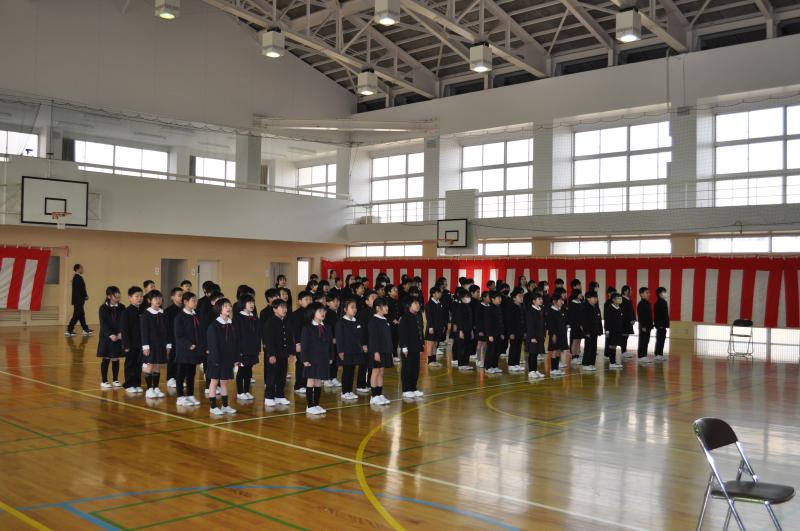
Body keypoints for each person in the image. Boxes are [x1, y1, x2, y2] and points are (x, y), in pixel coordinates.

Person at [206, 298, 238, 416]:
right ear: (219, 309)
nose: (228, 308)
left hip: (227, 359)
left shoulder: (231, 325)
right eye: (225, 306)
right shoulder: (213, 326)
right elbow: (212, 345)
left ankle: (225, 406)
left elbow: (235, 343)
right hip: (216, 359)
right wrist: (215, 360)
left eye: (229, 306)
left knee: (224, 382)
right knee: (214, 382)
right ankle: (213, 406)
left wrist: (235, 359)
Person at [173, 291, 204, 407]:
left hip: (194, 351)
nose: (196, 303)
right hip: (184, 351)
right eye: (193, 301)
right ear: (185, 302)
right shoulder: (180, 317)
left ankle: (190, 395)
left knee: (191, 374)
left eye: (196, 301)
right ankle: (180, 397)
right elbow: (178, 335)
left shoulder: (196, 316)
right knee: (181, 374)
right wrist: (189, 344)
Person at [300, 302, 331, 415]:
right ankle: (310, 405)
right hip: (311, 359)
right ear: (313, 313)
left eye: (324, 311)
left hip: (323, 359)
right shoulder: (307, 328)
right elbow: (304, 345)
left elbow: (330, 344)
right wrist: (304, 359)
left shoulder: (327, 327)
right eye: (320, 311)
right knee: (311, 380)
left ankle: (316, 404)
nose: (323, 313)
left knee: (318, 381)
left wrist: (330, 356)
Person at [140, 290, 170, 398]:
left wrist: (168, 344)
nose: (158, 300)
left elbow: (167, 330)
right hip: (150, 345)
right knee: (149, 366)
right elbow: (144, 331)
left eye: (160, 298)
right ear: (149, 300)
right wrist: (145, 346)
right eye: (155, 298)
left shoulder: (163, 314)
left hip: (160, 345)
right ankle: (149, 389)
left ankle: (156, 388)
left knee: (157, 366)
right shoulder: (146, 315)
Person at [335, 299, 366, 401]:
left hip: (356, 351)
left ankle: (349, 391)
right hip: (346, 351)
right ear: (345, 309)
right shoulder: (341, 322)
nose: (354, 309)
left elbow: (360, 336)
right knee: (346, 371)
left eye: (355, 307)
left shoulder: (357, 321)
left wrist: (362, 346)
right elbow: (339, 338)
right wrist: (340, 351)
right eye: (352, 307)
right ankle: (345, 392)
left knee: (352, 371)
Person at [263, 299, 293, 407]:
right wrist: (271, 354)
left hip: (283, 354)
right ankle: (269, 397)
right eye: (282, 307)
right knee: (272, 376)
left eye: (285, 307)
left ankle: (280, 396)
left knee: (282, 376)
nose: (285, 309)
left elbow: (289, 338)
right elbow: (269, 340)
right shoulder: (270, 322)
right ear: (275, 309)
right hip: (274, 355)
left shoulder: (286, 321)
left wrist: (290, 352)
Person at [368, 298, 394, 405]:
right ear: (378, 308)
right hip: (377, 351)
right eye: (384, 306)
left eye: (387, 305)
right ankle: (374, 396)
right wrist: (375, 352)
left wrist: (390, 351)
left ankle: (379, 394)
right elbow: (373, 338)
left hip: (385, 350)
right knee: (375, 372)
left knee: (381, 372)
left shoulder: (385, 320)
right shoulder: (373, 321)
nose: (387, 308)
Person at [234, 293, 260, 400]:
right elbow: (236, 336)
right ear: (243, 304)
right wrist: (238, 351)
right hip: (242, 350)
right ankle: (240, 392)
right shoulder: (238, 318)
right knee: (241, 371)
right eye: (249, 302)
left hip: (252, 349)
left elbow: (258, 334)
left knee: (249, 370)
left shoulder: (254, 318)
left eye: (253, 302)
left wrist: (258, 348)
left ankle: (247, 391)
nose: (252, 304)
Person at [97, 286, 124, 389]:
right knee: (106, 358)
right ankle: (104, 380)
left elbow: (123, 321)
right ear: (109, 296)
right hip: (106, 338)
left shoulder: (122, 307)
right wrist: (111, 335)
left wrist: (121, 332)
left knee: (115, 358)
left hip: (118, 337)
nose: (118, 298)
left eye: (118, 296)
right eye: (115, 296)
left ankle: (115, 379)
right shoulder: (103, 308)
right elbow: (103, 324)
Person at [398, 298, 424, 398]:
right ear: (409, 305)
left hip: (416, 347)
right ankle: (406, 389)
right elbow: (402, 334)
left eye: (418, 303)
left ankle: (413, 387)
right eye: (415, 303)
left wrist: (421, 344)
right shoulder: (405, 318)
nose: (418, 305)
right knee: (407, 368)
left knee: (415, 368)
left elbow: (419, 332)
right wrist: (404, 347)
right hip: (408, 348)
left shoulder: (417, 316)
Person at [121, 286, 144, 393]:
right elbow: (124, 330)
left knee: (138, 365)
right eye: (136, 296)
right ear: (130, 298)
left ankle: (136, 383)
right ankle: (128, 384)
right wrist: (126, 345)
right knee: (130, 364)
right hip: (131, 344)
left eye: (141, 296)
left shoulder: (143, 311)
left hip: (141, 343)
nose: (139, 298)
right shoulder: (126, 312)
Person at [291, 291, 313, 396]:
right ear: (300, 301)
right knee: (300, 363)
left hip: (311, 343)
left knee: (309, 363)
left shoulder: (313, 313)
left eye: (310, 299)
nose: (309, 301)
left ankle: (307, 384)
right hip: (300, 343)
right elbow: (295, 330)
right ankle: (299, 385)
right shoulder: (296, 314)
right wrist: (297, 343)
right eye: (306, 299)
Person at [164, 287, 183, 389]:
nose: (181, 297)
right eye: (179, 295)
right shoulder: (168, 311)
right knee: (172, 359)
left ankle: (178, 378)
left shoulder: (185, 310)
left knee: (181, 360)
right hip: (172, 339)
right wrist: (168, 342)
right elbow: (167, 328)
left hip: (182, 340)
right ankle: (170, 378)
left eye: (182, 295)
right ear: (172, 297)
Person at [451, 288, 474, 371]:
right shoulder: (460, 307)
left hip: (468, 330)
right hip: (462, 330)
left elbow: (470, 320)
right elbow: (459, 320)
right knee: (462, 348)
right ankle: (461, 364)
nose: (468, 298)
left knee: (467, 347)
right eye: (466, 296)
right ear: (462, 298)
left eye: (468, 296)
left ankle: (466, 363)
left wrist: (471, 331)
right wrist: (460, 331)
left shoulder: (468, 306)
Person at [66, 264, 92, 337]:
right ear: (77, 269)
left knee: (81, 315)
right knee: (76, 315)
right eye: (81, 268)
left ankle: (85, 329)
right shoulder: (77, 278)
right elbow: (81, 289)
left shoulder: (76, 277)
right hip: (78, 300)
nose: (83, 269)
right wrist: (85, 295)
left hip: (78, 300)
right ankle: (69, 330)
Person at [545, 293, 567, 377]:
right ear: (554, 301)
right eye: (560, 300)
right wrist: (553, 334)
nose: (562, 302)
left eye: (562, 300)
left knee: (558, 350)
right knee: (554, 351)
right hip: (555, 334)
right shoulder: (551, 311)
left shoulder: (560, 310)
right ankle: (553, 369)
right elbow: (550, 325)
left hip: (561, 334)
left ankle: (556, 368)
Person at [525, 290, 545, 379]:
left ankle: (535, 370)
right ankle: (531, 371)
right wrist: (532, 337)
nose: (541, 300)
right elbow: (530, 325)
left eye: (541, 299)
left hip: (539, 335)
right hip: (533, 336)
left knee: (536, 353)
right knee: (532, 354)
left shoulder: (540, 310)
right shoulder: (531, 311)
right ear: (533, 301)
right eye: (539, 299)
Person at [424, 286, 446, 368]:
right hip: (432, 327)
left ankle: (434, 360)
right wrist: (430, 327)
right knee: (430, 344)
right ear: (433, 294)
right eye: (438, 293)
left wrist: (443, 326)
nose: (440, 294)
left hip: (439, 327)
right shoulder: (428, 304)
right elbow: (429, 317)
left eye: (440, 293)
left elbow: (442, 316)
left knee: (436, 344)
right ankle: (430, 360)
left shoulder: (440, 303)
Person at [323, 293, 342, 388]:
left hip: (337, 340)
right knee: (328, 359)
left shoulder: (339, 313)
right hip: (329, 340)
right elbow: (325, 328)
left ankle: (333, 377)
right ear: (327, 303)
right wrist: (332, 338)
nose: (336, 303)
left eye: (337, 301)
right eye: (333, 301)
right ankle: (326, 378)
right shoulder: (326, 313)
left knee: (335, 359)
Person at [483, 291, 505, 374]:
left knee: (497, 350)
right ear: (492, 299)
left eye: (500, 298)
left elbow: (501, 322)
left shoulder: (499, 308)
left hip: (498, 333)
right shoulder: (489, 309)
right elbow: (488, 323)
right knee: (491, 351)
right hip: (492, 334)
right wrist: (489, 335)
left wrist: (502, 333)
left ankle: (494, 366)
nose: (500, 299)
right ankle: (488, 367)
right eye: (498, 298)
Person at [580, 291, 602, 372]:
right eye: (594, 297)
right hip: (588, 331)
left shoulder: (596, 307)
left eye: (596, 297)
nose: (596, 299)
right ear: (588, 298)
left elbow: (599, 319)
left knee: (594, 347)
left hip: (595, 330)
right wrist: (586, 332)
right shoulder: (585, 307)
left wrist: (600, 330)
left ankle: (592, 363)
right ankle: (586, 364)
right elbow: (583, 321)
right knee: (588, 347)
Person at [506, 288, 525, 372]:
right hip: (513, 331)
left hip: (520, 331)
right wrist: (511, 333)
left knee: (518, 347)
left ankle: (516, 363)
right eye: (519, 296)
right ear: (514, 298)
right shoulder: (511, 307)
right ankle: (511, 364)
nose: (521, 298)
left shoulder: (522, 306)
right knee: (513, 347)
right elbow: (509, 321)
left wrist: (524, 331)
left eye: (522, 296)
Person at [604, 292, 624, 369]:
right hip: (612, 330)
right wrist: (607, 330)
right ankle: (612, 362)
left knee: (615, 345)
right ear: (613, 300)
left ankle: (614, 362)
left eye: (620, 298)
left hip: (618, 330)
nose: (620, 300)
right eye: (618, 298)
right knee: (612, 346)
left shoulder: (619, 308)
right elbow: (607, 320)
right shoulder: (610, 308)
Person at [637, 287, 653, 364]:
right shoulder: (641, 304)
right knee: (643, 341)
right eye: (647, 293)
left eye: (648, 293)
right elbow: (641, 316)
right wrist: (643, 326)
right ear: (641, 294)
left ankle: (644, 356)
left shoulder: (647, 303)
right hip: (644, 326)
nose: (648, 294)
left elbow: (649, 316)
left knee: (646, 341)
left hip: (648, 325)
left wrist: (651, 324)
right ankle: (641, 356)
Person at [567, 288, 584, 364]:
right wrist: (579, 325)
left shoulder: (581, 303)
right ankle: (573, 357)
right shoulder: (572, 304)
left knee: (579, 341)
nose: (581, 295)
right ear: (576, 295)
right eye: (580, 294)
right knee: (575, 341)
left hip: (581, 325)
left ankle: (577, 355)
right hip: (575, 325)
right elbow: (572, 317)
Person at [654, 287, 669, 361]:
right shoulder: (660, 302)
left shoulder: (663, 301)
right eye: (664, 292)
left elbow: (665, 315)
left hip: (662, 324)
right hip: (661, 325)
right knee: (660, 339)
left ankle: (659, 354)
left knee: (661, 339)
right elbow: (659, 315)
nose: (666, 294)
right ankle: (658, 354)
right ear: (660, 294)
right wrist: (660, 325)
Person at [620, 285, 635, 359]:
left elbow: (631, 311)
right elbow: (623, 312)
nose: (631, 292)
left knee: (626, 336)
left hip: (629, 321)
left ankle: (624, 350)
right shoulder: (621, 300)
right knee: (624, 336)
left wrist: (633, 319)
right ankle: (623, 351)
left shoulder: (629, 300)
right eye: (630, 290)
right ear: (625, 291)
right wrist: (629, 320)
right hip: (624, 321)